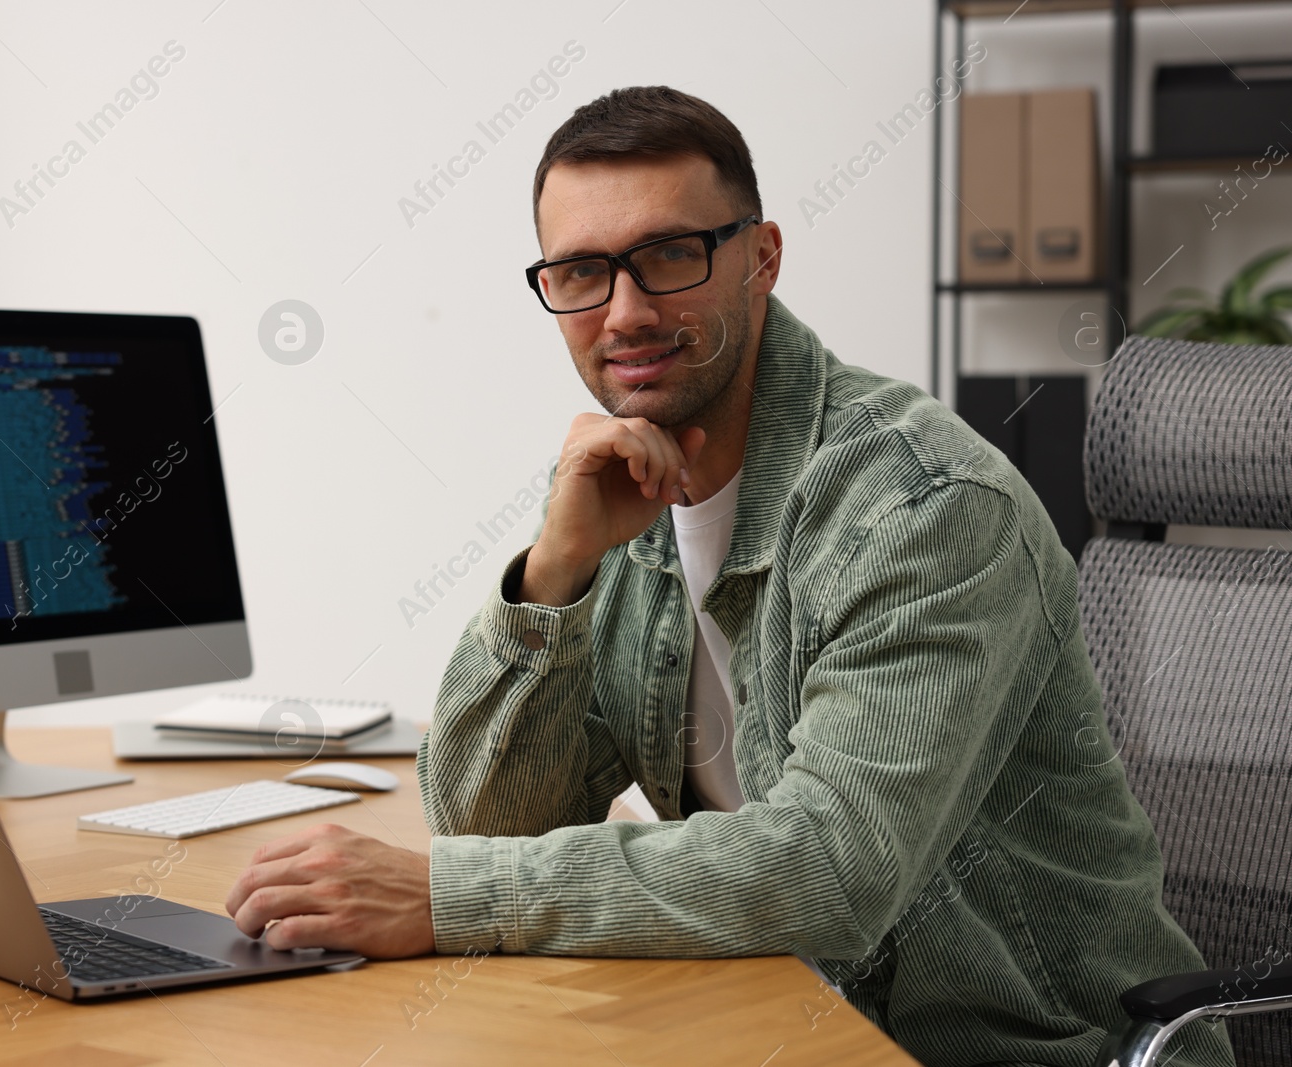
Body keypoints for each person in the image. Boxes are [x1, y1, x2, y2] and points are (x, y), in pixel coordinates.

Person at [225, 86, 1233, 1067]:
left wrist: (449, 896)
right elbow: (489, 824)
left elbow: (831, 870)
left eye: (667, 255)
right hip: (769, 1018)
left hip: (1013, 1046)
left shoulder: (926, 508)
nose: (622, 311)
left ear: (760, 258)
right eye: (579, 271)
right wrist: (556, 573)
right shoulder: (625, 492)